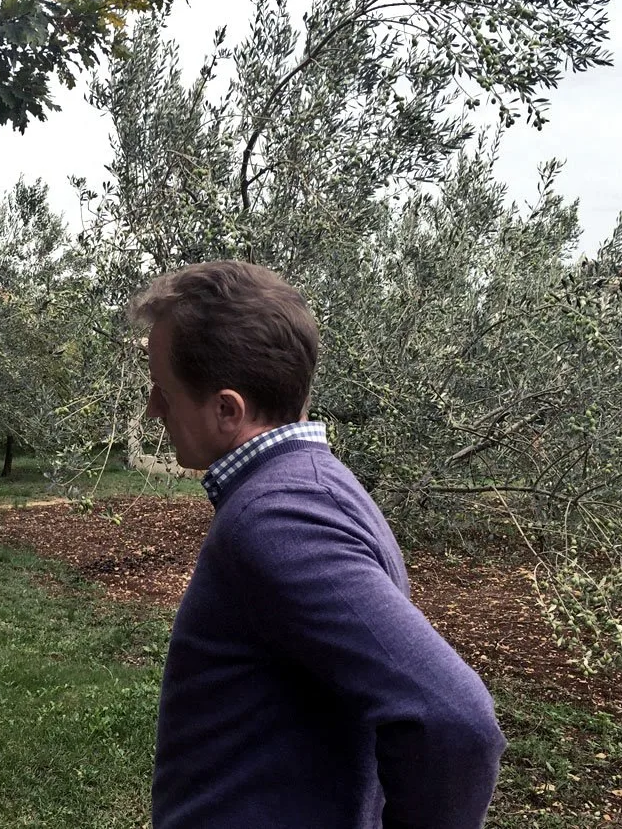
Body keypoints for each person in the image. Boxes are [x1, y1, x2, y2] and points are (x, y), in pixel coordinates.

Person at [130, 260, 505, 829]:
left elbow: (455, 721)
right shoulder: (314, 484)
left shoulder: (277, 517)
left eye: (163, 388)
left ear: (227, 409)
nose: (155, 407)